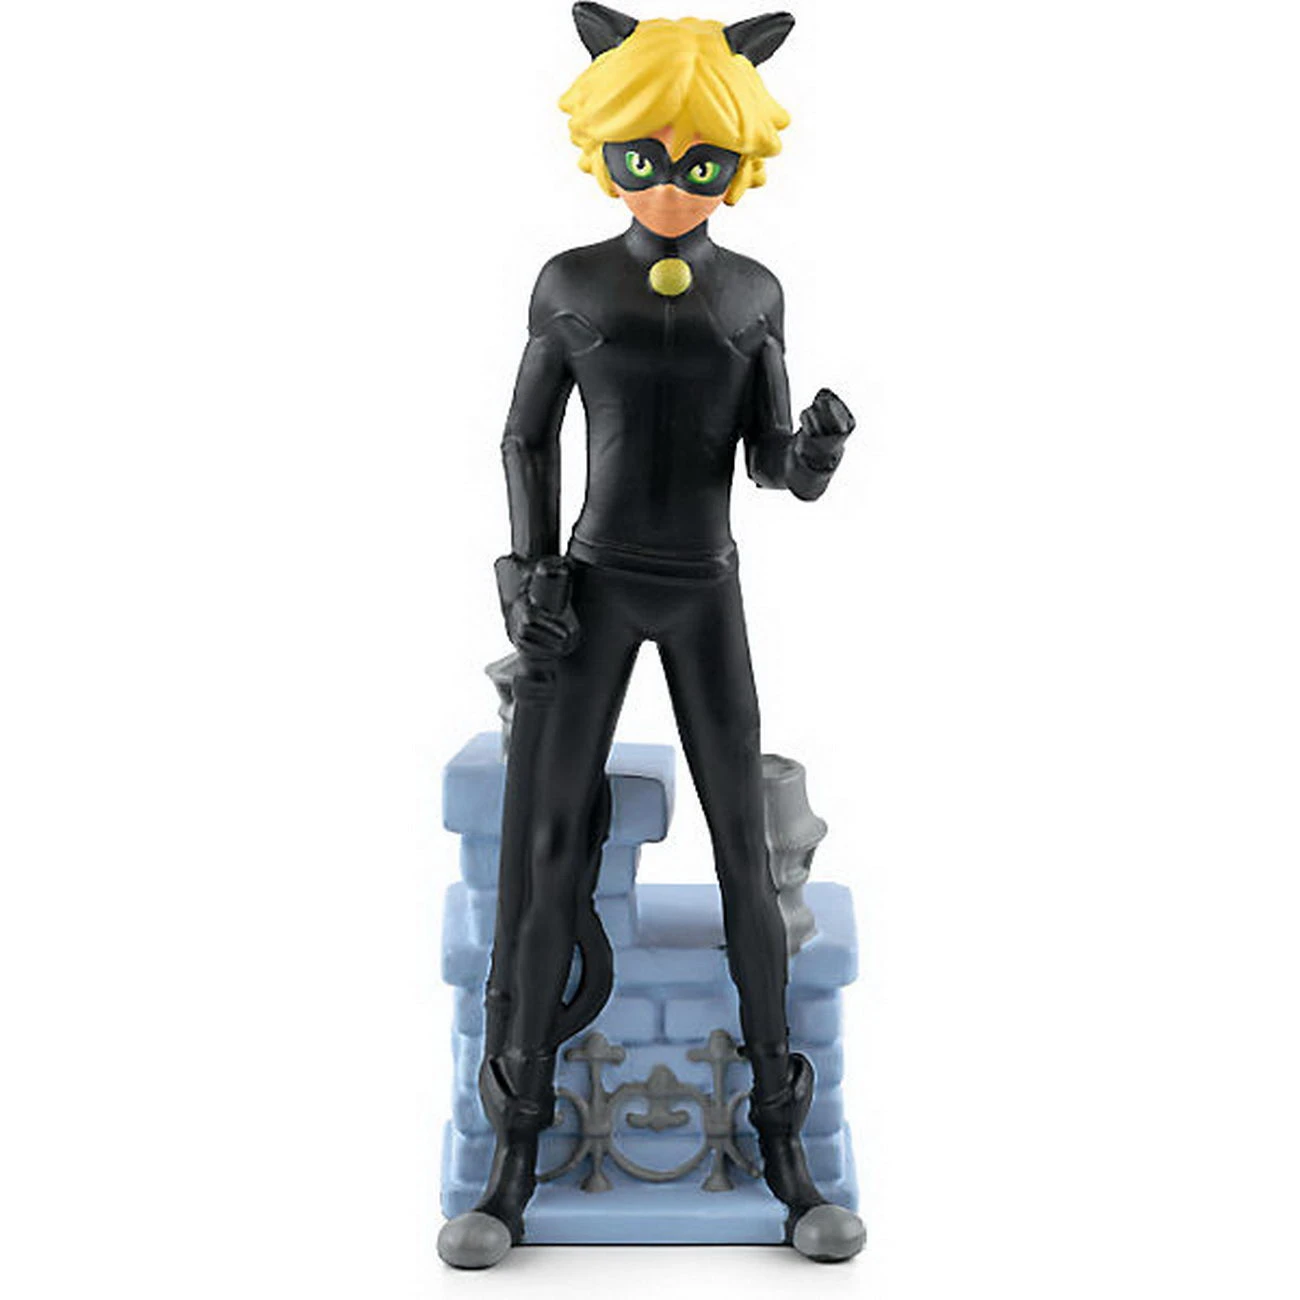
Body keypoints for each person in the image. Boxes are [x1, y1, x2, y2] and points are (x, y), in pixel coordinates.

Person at [438, 6, 863, 1268]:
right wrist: (524, 570)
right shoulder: (572, 283)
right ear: (601, 150)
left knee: (745, 852)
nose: (671, 184)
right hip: (594, 583)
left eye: (701, 161)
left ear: (742, 162)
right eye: (643, 157)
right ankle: (510, 1158)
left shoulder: (753, 292)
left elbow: (769, 462)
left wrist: (815, 454)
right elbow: (523, 436)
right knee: (542, 849)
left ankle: (786, 1149)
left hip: (704, 586)